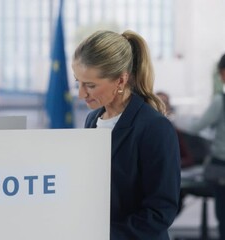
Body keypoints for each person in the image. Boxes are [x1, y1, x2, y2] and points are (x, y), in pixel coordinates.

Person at [72, 30, 180, 239]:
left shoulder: (155, 128)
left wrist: (103, 235)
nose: (81, 94)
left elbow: (159, 213)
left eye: (90, 85)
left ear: (121, 81)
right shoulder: (92, 120)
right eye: (78, 82)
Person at [184, 53, 225, 240]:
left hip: (221, 167)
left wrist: (172, 121)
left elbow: (197, 126)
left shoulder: (220, 101)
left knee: (223, 217)